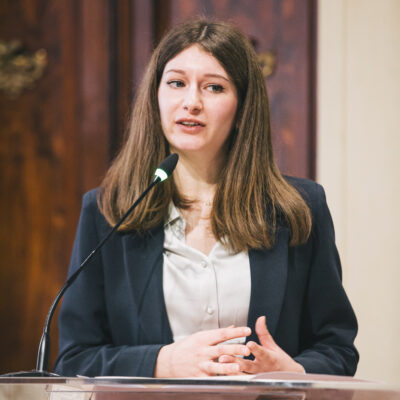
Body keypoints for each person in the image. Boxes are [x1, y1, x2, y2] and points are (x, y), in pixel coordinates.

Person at [54, 18, 358, 378]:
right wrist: (162, 363)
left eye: (214, 87)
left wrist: (294, 370)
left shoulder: (300, 209)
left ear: (243, 108)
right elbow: (74, 360)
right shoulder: (107, 212)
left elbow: (337, 350)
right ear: (155, 97)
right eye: (176, 83)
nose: (191, 102)